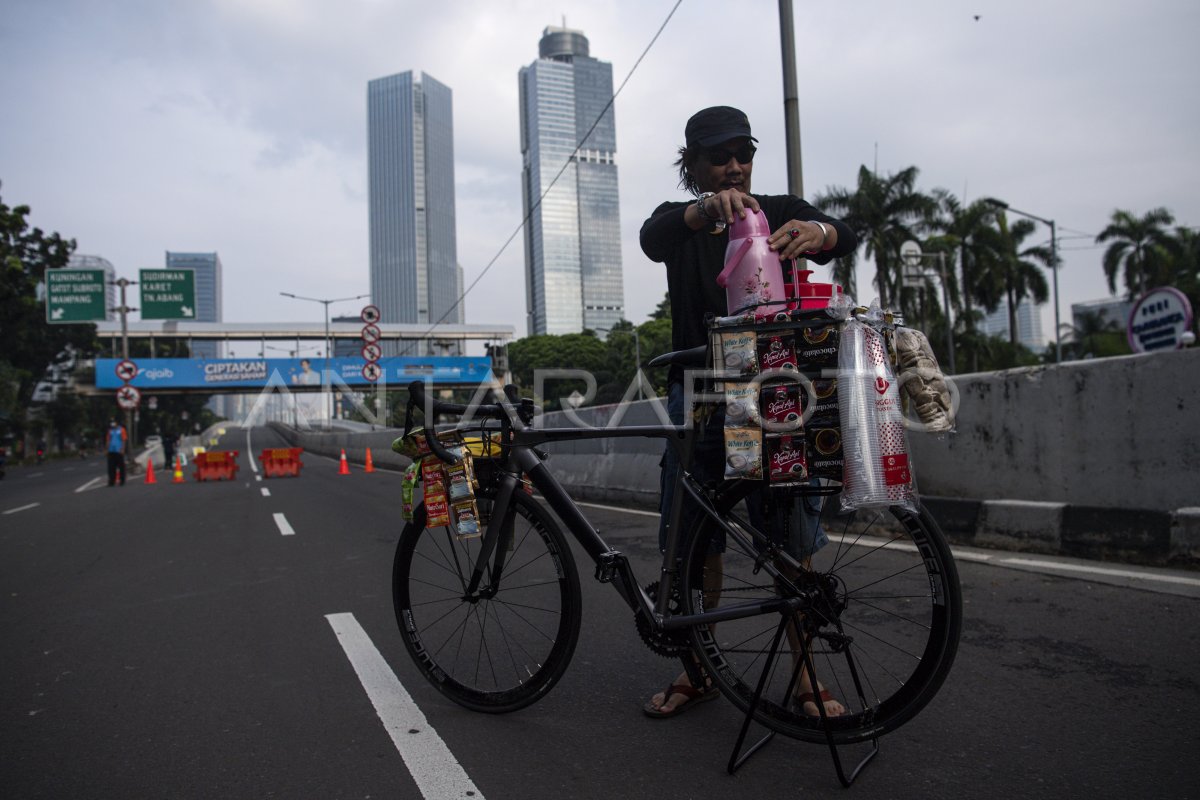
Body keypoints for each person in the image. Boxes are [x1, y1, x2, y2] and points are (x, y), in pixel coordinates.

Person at [639, 106, 858, 718]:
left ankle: (807, 676)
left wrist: (823, 236)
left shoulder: (780, 210)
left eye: (743, 153)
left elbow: (846, 233)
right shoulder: (677, 224)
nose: (734, 165)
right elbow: (652, 238)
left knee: (790, 534)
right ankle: (698, 670)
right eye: (718, 156)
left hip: (772, 387)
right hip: (701, 393)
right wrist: (705, 212)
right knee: (691, 536)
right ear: (694, 166)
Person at [105, 419, 128, 486]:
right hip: (111, 451)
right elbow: (108, 440)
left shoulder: (121, 429)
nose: (112, 424)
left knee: (121, 467)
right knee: (111, 467)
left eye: (114, 422)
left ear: (117, 423)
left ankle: (122, 480)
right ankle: (111, 481)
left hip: (119, 451)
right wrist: (106, 449)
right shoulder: (110, 431)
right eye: (111, 422)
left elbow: (124, 440)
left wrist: (123, 449)